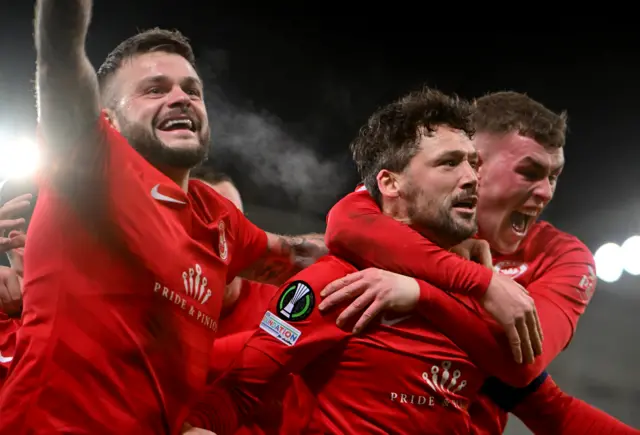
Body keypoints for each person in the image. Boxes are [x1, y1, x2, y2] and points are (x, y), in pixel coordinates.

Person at [0, 1, 325, 433]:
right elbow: (59, 56)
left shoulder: (218, 217)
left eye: (192, 90)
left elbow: (304, 256)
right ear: (108, 119)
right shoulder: (89, 163)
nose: (180, 98)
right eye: (154, 89)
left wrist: (402, 264)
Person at [185, 86, 537, 434]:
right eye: (449, 163)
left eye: (473, 163)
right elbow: (240, 391)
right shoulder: (336, 283)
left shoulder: (488, 292)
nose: (472, 178)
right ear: (390, 183)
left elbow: (546, 404)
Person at [318, 91, 634, 433]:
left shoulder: (563, 256)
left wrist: (421, 293)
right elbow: (345, 222)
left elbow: (524, 367)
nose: (546, 192)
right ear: (473, 164)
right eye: (529, 172)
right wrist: (483, 284)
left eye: (553, 176)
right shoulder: (411, 206)